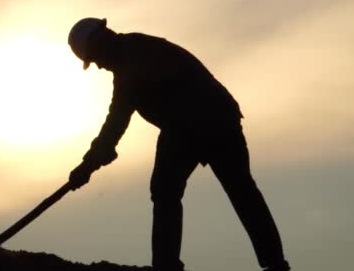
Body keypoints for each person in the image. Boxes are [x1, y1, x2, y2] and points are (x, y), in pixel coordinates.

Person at [67, 18, 290, 271]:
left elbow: (117, 121)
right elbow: (116, 123)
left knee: (168, 191)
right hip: (215, 117)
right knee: (240, 191)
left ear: (99, 44)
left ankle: (166, 266)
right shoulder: (131, 54)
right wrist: (91, 162)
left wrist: (90, 163)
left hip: (195, 121)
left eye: (94, 59)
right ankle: (275, 265)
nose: (97, 66)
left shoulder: (133, 58)